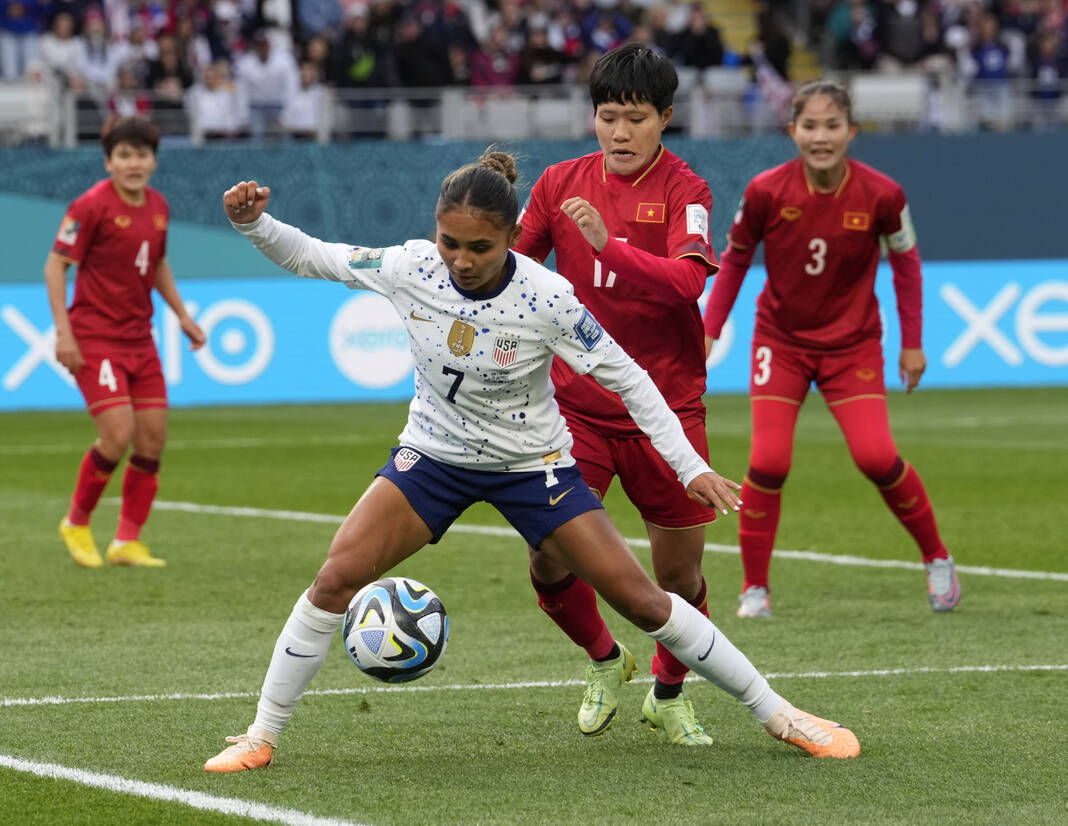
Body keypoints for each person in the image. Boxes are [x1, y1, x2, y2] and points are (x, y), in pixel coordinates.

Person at [203, 150, 861, 772]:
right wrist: (252, 222)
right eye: (450, 242)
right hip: (433, 458)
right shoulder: (410, 267)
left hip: (533, 467)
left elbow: (630, 379)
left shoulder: (548, 298)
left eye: (480, 247)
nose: (461, 260)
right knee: (335, 577)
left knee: (640, 598)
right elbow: (317, 256)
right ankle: (261, 736)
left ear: (512, 236)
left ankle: (780, 715)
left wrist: (689, 466)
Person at [514, 43, 722, 746]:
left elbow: (691, 283)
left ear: (665, 118)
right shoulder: (555, 183)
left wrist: (611, 249)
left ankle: (668, 693)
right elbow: (512, 270)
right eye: (608, 118)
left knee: (677, 574)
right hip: (576, 411)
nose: (620, 133)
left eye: (636, 118)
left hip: (668, 409)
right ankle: (605, 659)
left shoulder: (686, 193)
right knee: (548, 553)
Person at [701, 80, 961, 619]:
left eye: (832, 126)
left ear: (851, 132)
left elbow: (907, 266)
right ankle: (755, 590)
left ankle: (937, 557)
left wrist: (913, 343)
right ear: (792, 130)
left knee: (876, 457)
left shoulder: (883, 195)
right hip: (782, 342)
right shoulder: (766, 191)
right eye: (810, 126)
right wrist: (709, 327)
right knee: (768, 462)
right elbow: (735, 260)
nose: (822, 137)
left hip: (852, 346)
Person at [46, 116, 205, 569]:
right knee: (117, 435)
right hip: (95, 338)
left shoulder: (158, 206)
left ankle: (126, 541)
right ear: (108, 161)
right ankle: (76, 522)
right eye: (124, 155)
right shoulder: (89, 206)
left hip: (141, 338)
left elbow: (155, 264)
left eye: (142, 155)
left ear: (153, 160)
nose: (134, 163)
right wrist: (64, 333)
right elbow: (56, 266)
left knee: (151, 441)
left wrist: (184, 317)